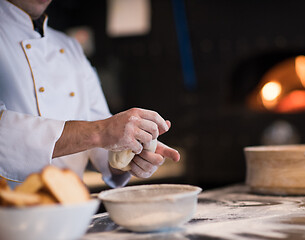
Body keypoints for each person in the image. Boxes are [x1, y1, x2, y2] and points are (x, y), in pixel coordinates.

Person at [0, 0, 180, 188]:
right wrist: (101, 131)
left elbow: (102, 130)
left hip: (74, 209)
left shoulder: (70, 47)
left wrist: (131, 153)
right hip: (9, 211)